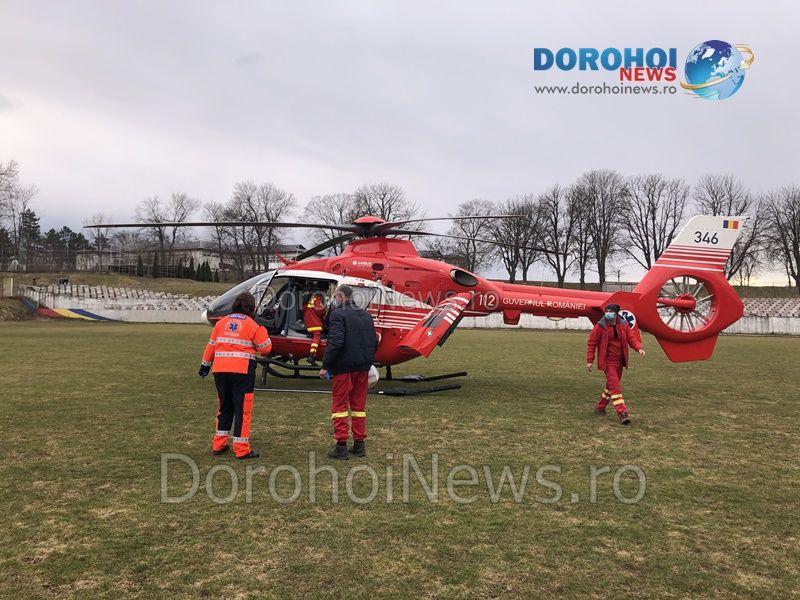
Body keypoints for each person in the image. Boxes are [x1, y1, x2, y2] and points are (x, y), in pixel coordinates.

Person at [199, 292, 272, 459]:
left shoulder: (221, 323)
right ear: (253, 308)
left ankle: (218, 445)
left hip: (220, 371)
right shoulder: (253, 325)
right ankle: (241, 449)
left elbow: (211, 346)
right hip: (242, 372)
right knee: (243, 410)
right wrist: (263, 330)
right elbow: (265, 349)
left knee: (224, 407)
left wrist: (205, 365)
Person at [319, 285, 378, 459]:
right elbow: (374, 341)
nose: (334, 300)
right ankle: (359, 444)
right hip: (363, 367)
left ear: (340, 296)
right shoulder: (366, 315)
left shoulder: (338, 315)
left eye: (335, 296)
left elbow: (335, 342)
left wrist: (326, 365)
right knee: (359, 407)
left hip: (344, 367)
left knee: (340, 406)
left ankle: (341, 446)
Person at [586, 303, 646, 425]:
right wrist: (590, 360)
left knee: (610, 386)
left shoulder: (623, 325)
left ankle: (600, 408)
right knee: (615, 387)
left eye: (610, 311)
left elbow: (631, 338)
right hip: (608, 362)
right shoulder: (600, 326)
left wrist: (639, 348)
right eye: (606, 311)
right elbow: (592, 343)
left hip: (620, 361)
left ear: (616, 313)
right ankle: (622, 413)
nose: (608, 313)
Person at [302, 289, 327, 365]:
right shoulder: (317, 299)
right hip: (313, 320)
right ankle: (312, 355)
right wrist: (325, 310)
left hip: (309, 319)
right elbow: (319, 311)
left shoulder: (311, 298)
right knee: (317, 335)